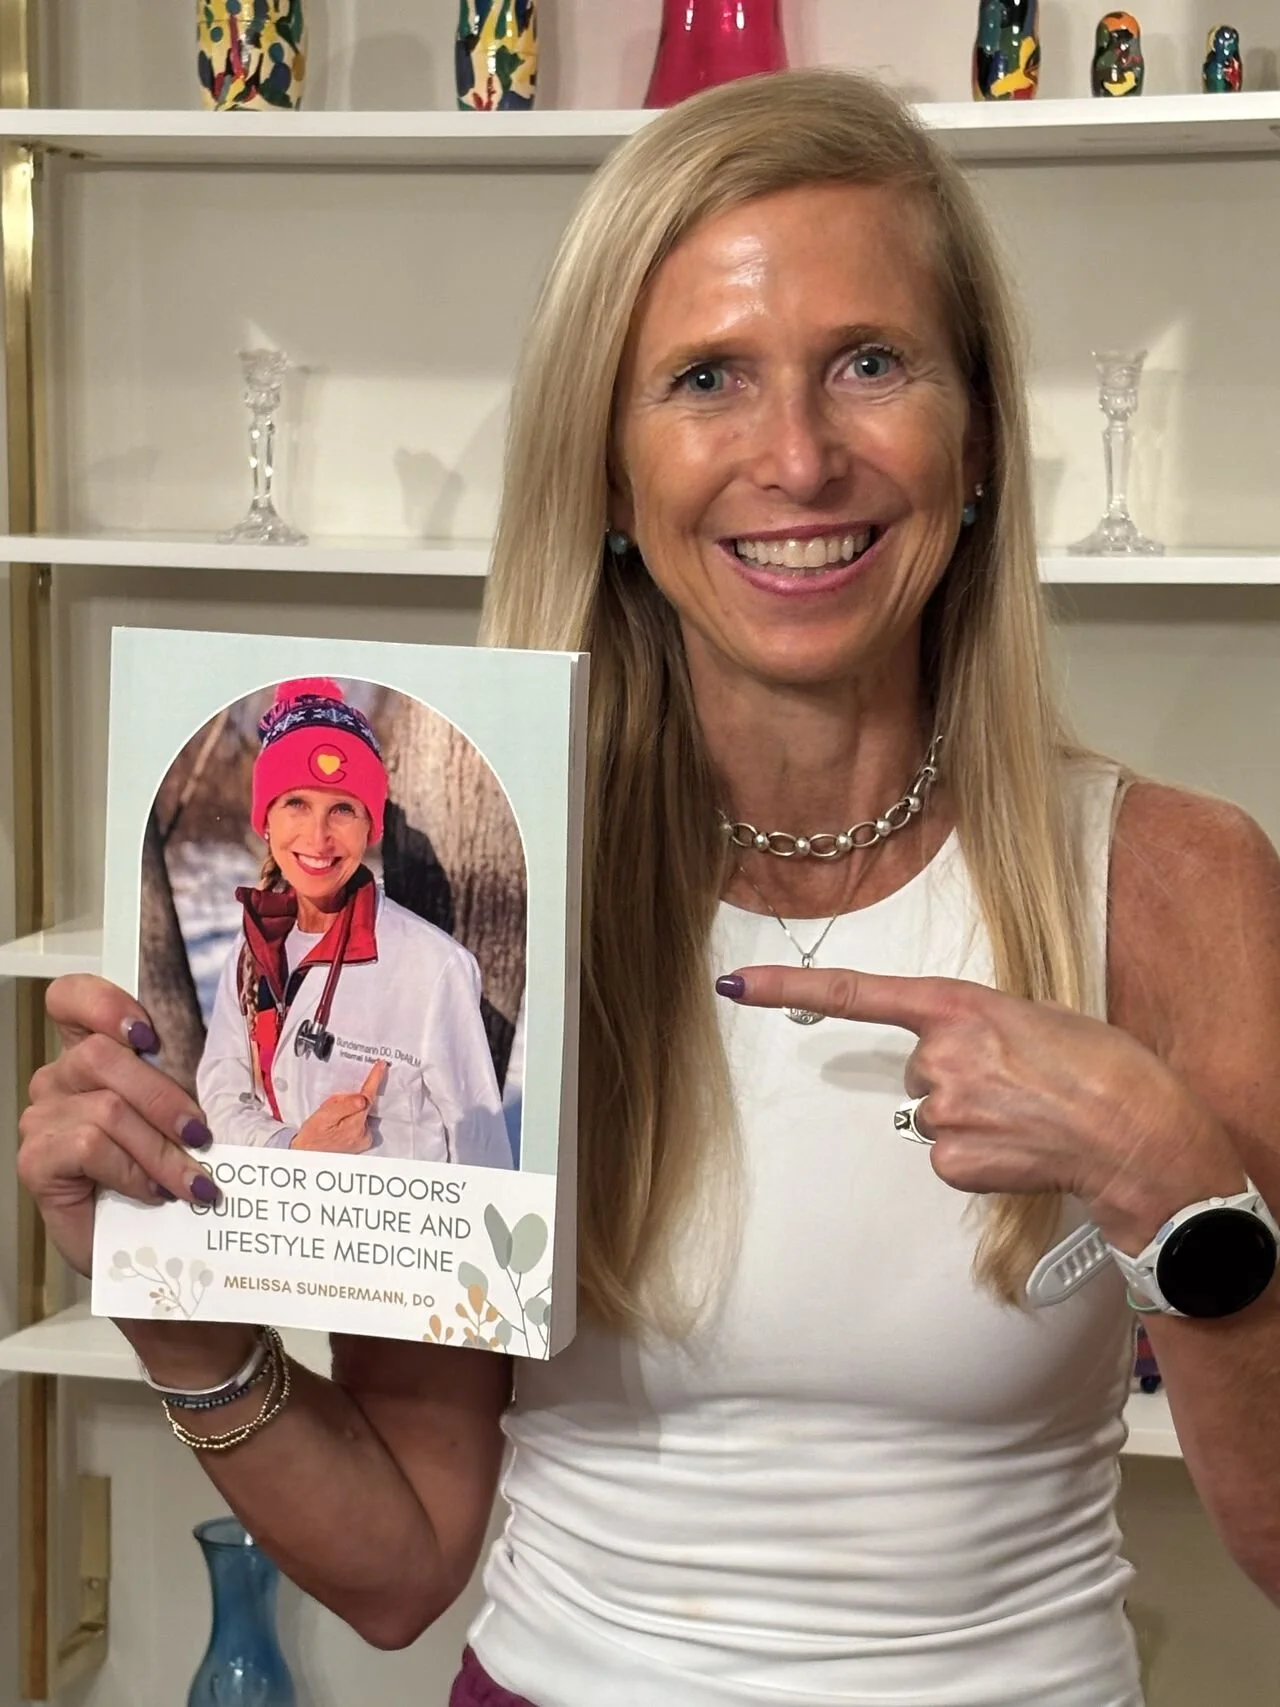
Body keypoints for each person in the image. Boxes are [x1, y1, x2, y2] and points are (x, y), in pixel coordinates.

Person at [17, 69, 1280, 1707]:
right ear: (612, 477)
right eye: (706, 379)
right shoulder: (498, 906)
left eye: (873, 364)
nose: (800, 454)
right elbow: (403, 1565)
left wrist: (1183, 1190)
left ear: (977, 446)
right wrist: (179, 1317)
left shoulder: (1177, 882)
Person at [196, 675, 513, 1167]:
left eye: (342, 809)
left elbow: (481, 1151)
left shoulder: (433, 969)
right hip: (271, 1228)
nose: (318, 837)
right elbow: (223, 1094)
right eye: (296, 804)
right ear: (267, 820)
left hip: (397, 1239)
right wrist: (292, 1152)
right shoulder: (251, 948)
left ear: (370, 827)